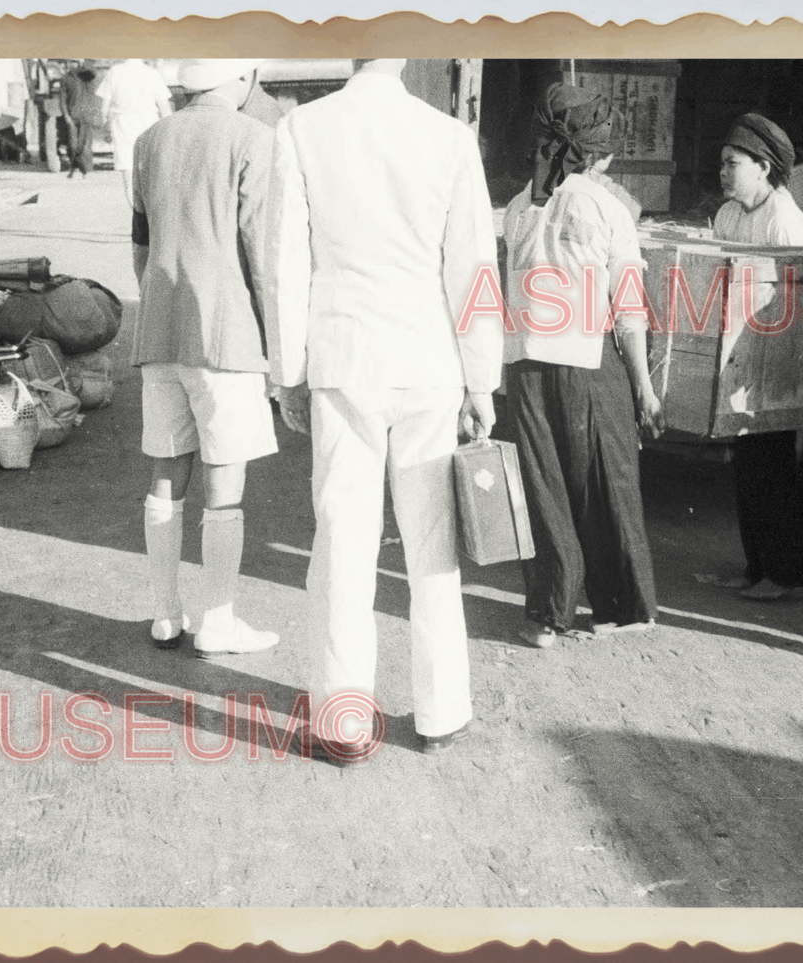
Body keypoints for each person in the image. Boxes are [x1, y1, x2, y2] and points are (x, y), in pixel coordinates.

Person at [266, 59, 502, 758]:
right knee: (431, 540)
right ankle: (441, 711)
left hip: (343, 357)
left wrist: (288, 372)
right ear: (406, 54)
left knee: (342, 539)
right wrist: (481, 379)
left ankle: (342, 724)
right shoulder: (448, 135)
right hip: (427, 360)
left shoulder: (302, 129)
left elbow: (285, 263)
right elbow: (473, 267)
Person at [501, 83, 662, 649]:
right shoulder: (606, 206)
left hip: (523, 362)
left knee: (542, 485)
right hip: (588, 362)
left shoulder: (521, 205)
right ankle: (621, 607)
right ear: (600, 155)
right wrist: (644, 386)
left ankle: (549, 616)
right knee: (603, 479)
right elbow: (630, 306)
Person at [131, 59, 279, 658]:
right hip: (227, 333)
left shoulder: (149, 140)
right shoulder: (253, 138)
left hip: (159, 328)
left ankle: (165, 614)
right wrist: (277, 346)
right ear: (239, 78)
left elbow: (140, 248)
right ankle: (217, 619)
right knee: (226, 472)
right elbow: (262, 257)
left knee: (168, 466)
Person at [712, 112, 803, 602]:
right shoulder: (728, 215)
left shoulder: (787, 221)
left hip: (788, 363)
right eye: (722, 163)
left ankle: (781, 575)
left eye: (733, 163)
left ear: (764, 167)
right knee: (751, 468)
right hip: (746, 360)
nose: (723, 172)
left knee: (780, 470)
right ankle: (754, 567)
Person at [97, 59, 172, 204]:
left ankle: (138, 215)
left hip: (122, 122)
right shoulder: (151, 73)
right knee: (150, 169)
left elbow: (104, 106)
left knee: (128, 170)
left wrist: (106, 127)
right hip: (149, 122)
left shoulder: (115, 72)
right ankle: (152, 215)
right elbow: (164, 107)